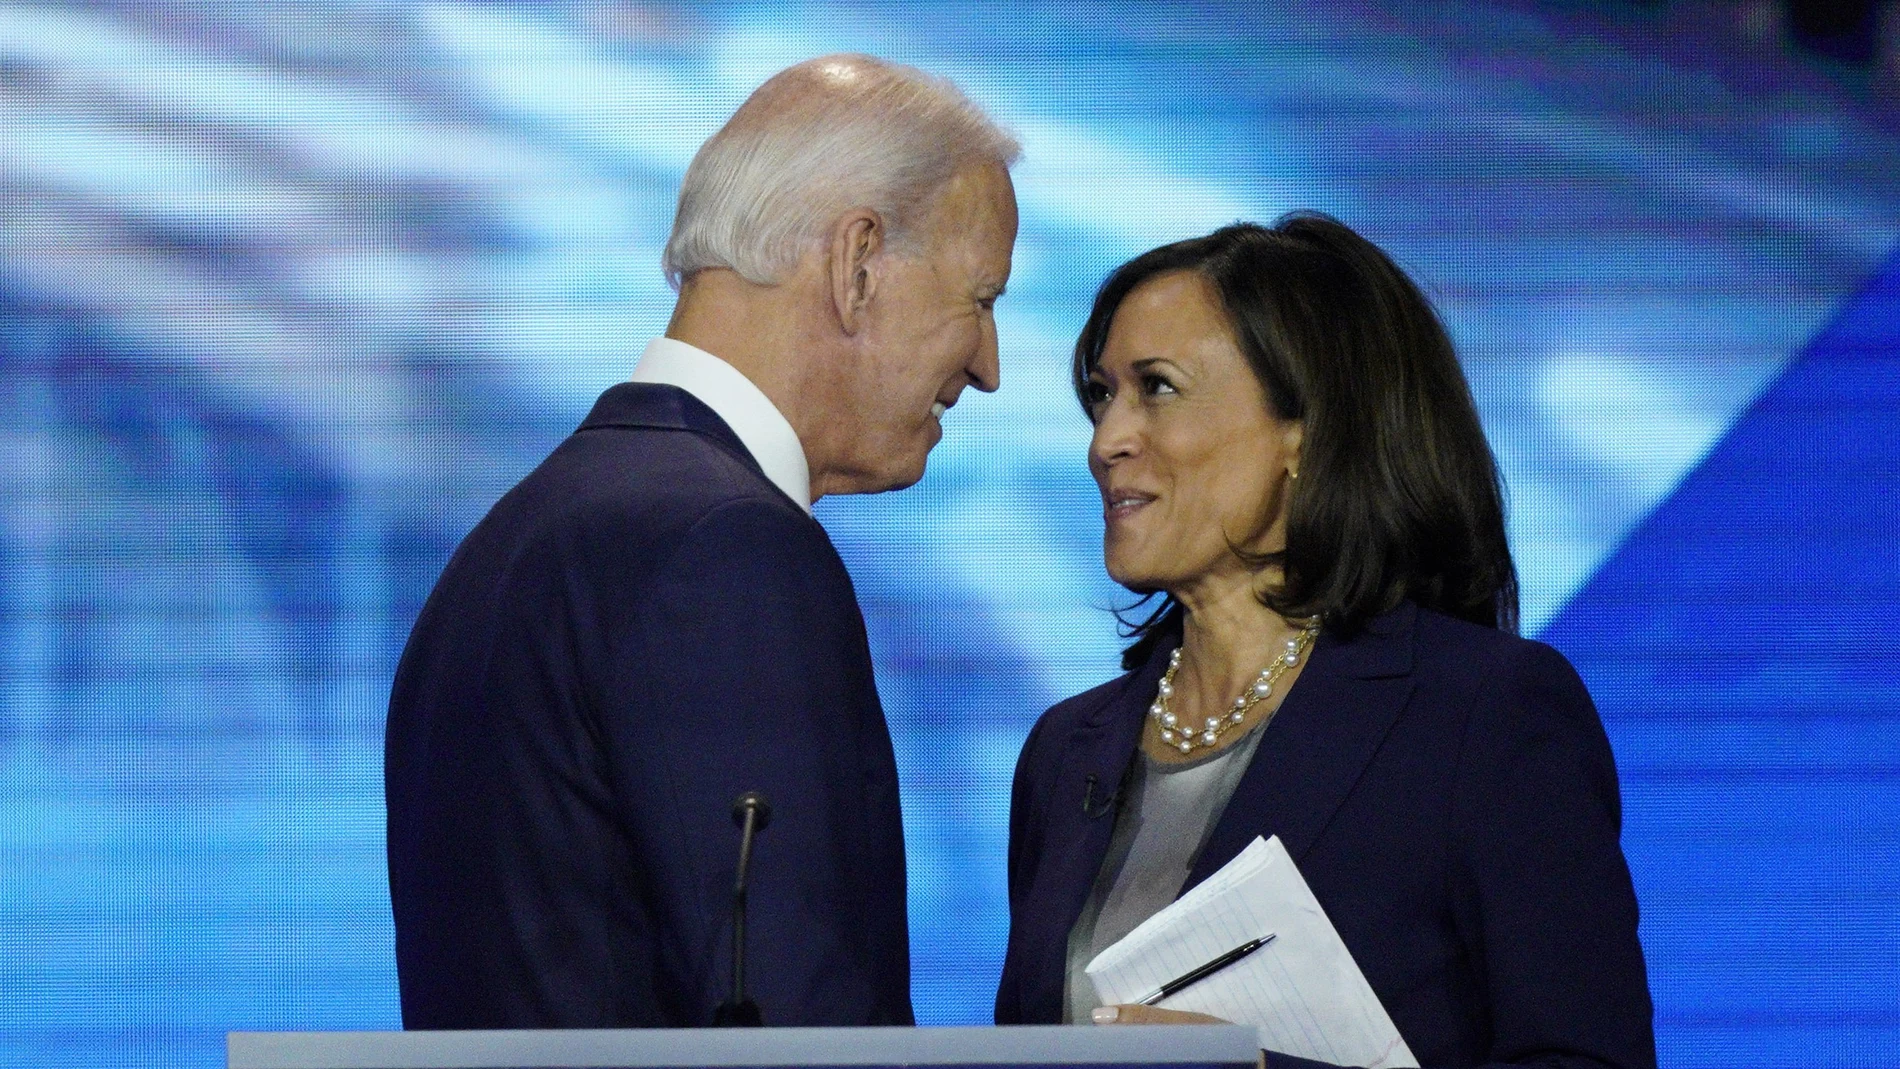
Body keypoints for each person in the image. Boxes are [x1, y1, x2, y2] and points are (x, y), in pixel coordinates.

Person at [385, 55, 1019, 1028]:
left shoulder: (515, 538)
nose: (987, 367)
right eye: (980, 298)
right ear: (855, 266)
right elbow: (793, 1030)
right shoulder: (727, 551)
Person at [994, 216, 1655, 1069]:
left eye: (1156, 387)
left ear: (1303, 430)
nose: (1106, 441)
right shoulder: (1064, 751)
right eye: (1101, 395)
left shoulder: (1481, 712)